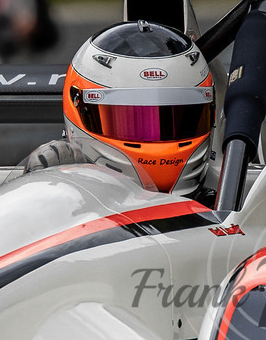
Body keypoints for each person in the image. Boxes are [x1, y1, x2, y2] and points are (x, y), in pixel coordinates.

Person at [23, 19, 217, 202]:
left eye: (179, 121)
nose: (156, 139)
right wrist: (43, 191)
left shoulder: (232, 196)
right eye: (131, 121)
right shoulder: (58, 199)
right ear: (78, 107)